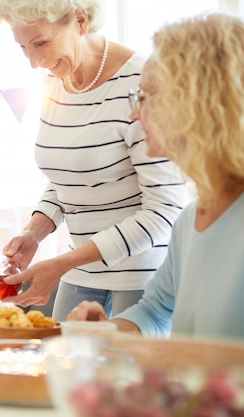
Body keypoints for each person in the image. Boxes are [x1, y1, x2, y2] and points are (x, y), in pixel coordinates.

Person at [0, 0, 187, 322]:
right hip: (79, 271)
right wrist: (34, 232)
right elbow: (65, 175)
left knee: (127, 371)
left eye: (41, 43)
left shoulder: (143, 81)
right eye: (23, 47)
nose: (34, 62)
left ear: (81, 20)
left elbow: (164, 209)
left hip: (141, 277)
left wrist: (64, 262)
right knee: (60, 364)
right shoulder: (55, 81)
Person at [67, 12, 244, 341]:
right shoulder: (189, 220)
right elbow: (156, 310)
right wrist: (105, 330)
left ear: (195, 102)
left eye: (144, 97)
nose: (134, 112)